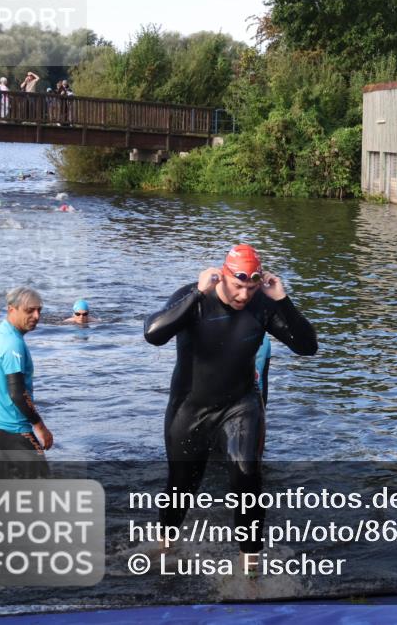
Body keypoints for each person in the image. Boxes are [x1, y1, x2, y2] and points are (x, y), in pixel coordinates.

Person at [143, 244, 317, 570]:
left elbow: (308, 347)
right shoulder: (195, 298)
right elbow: (154, 334)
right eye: (238, 286)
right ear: (222, 276)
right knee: (182, 485)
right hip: (190, 407)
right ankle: (166, 545)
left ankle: (249, 564)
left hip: (240, 405)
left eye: (251, 288)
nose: (243, 295)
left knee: (247, 475)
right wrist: (196, 294)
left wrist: (282, 299)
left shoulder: (262, 306)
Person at [0, 287, 54, 478]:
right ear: (12, 309)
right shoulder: (13, 344)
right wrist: (40, 427)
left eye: (39, 310)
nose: (36, 316)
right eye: (29, 311)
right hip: (12, 429)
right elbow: (18, 394)